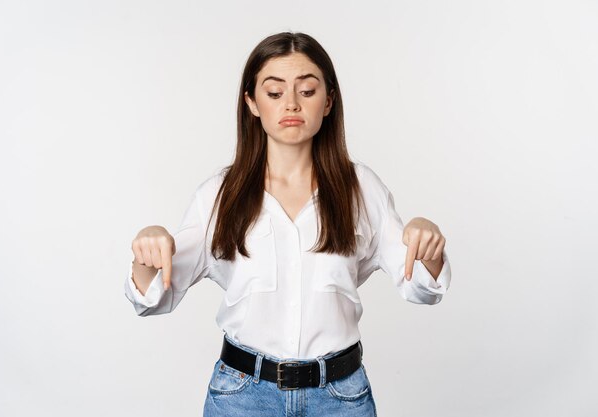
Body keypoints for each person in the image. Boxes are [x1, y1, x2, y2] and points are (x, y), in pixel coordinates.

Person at [125, 31, 451, 417]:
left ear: (328, 101)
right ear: (252, 103)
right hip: (242, 397)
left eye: (308, 91)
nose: (291, 104)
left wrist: (428, 245)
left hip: (340, 398)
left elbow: (422, 288)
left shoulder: (361, 189)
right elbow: (155, 297)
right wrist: (148, 252)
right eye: (275, 93)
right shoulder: (218, 195)